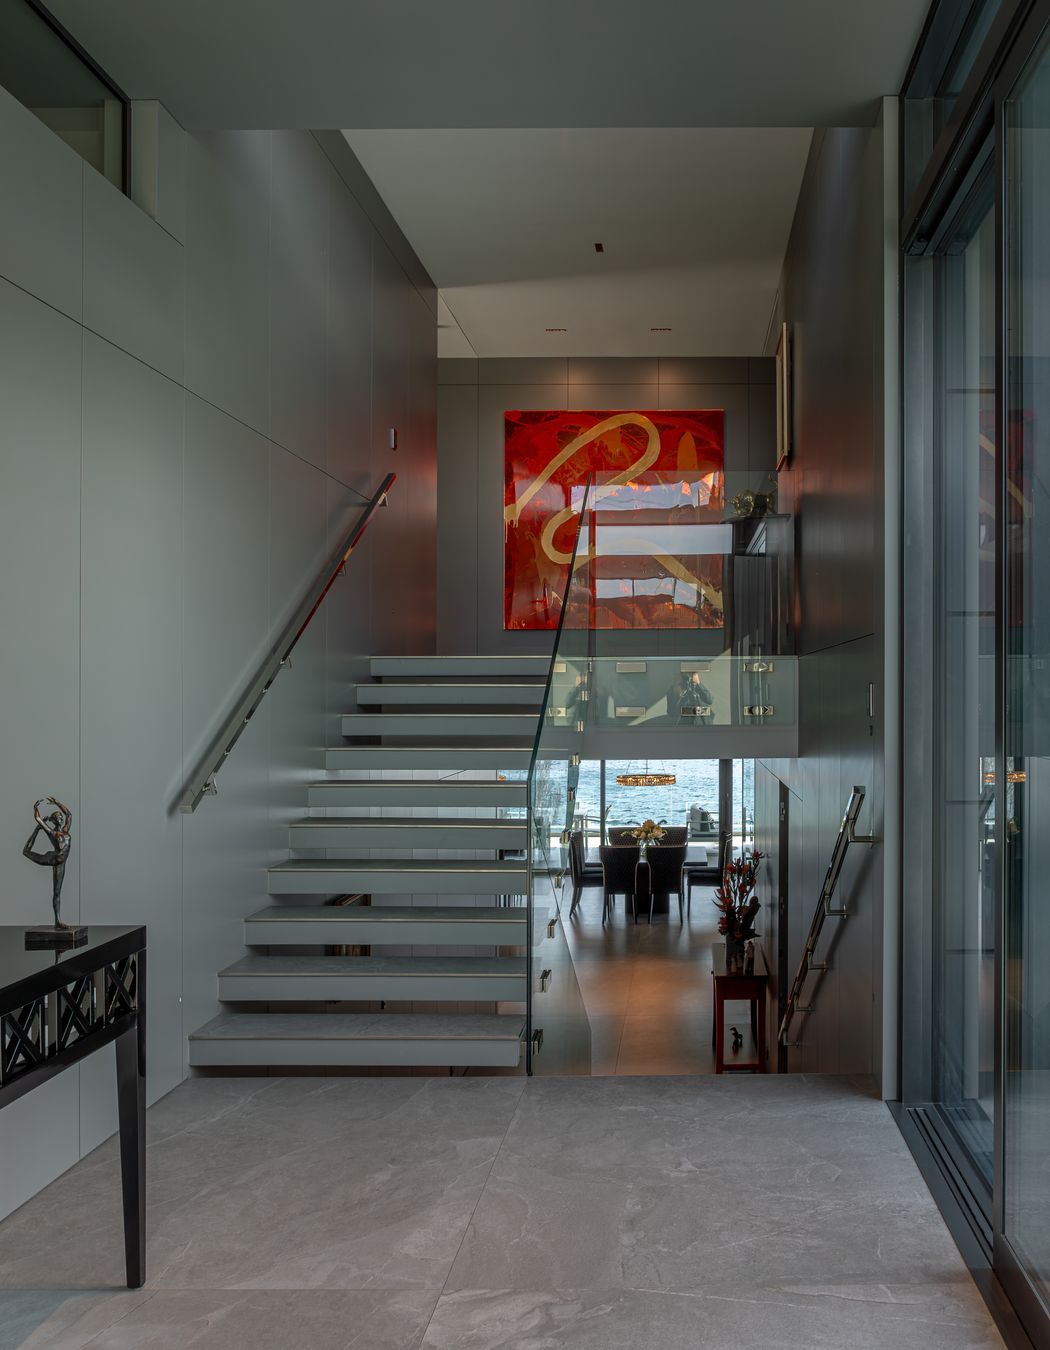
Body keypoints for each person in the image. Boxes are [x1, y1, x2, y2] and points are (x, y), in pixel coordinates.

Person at [23, 796, 73, 928]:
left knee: (57, 893)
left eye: (61, 817)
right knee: (26, 852)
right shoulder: (52, 833)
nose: (61, 818)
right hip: (53, 860)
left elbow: (69, 814)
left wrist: (57, 803)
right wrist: (35, 808)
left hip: (62, 863)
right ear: (53, 820)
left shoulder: (66, 831)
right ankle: (58, 920)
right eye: (58, 817)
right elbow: (38, 819)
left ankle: (58, 922)